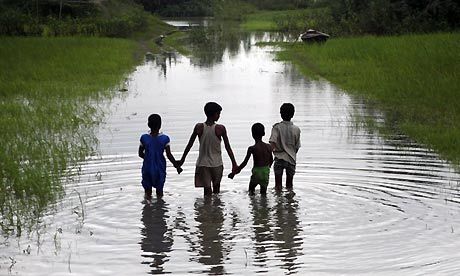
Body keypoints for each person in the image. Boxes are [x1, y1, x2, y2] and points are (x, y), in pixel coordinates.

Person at [179, 102, 237, 196]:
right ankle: (216, 209)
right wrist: (234, 164)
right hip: (217, 164)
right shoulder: (220, 128)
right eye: (218, 113)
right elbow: (228, 147)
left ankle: (207, 209)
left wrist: (182, 160)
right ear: (214, 114)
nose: (219, 116)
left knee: (207, 192)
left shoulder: (199, 127)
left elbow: (189, 145)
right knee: (217, 190)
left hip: (203, 164)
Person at [138, 114, 182, 200]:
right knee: (159, 192)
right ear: (160, 125)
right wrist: (177, 166)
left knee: (147, 192)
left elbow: (140, 153)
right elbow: (169, 155)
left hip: (147, 168)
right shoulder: (165, 139)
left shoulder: (144, 138)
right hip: (160, 168)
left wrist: (149, 158)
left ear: (148, 124)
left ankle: (148, 208)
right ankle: (160, 209)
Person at [228, 123, 273, 195]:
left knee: (251, 191)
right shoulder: (269, 147)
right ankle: (264, 205)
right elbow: (271, 160)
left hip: (256, 172)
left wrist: (234, 173)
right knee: (263, 193)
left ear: (252, 135)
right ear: (264, 133)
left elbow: (244, 163)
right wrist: (267, 168)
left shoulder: (252, 148)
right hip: (265, 171)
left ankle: (253, 204)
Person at [269, 103, 301, 191]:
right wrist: (292, 154)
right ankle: (290, 201)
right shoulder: (296, 129)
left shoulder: (276, 128)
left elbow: (272, 143)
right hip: (291, 160)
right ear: (293, 114)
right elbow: (297, 147)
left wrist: (269, 158)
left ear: (280, 113)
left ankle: (279, 201)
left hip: (279, 159)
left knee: (278, 186)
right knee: (289, 186)